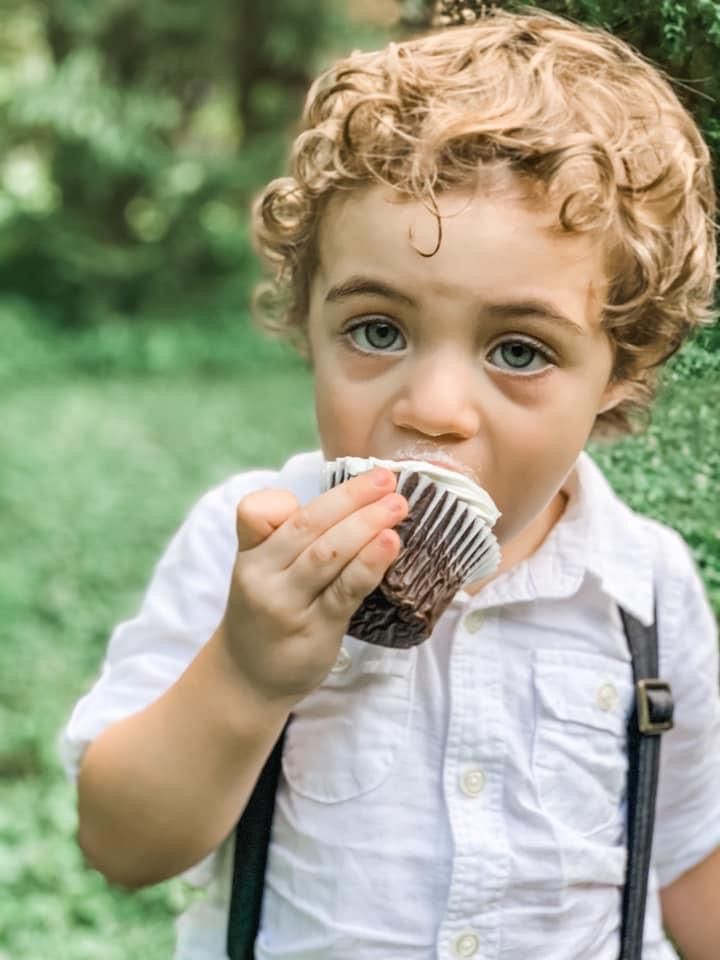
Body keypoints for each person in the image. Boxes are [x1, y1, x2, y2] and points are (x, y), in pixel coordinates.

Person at [60, 6, 720, 959]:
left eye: (519, 349)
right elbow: (120, 845)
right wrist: (245, 675)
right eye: (378, 330)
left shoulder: (646, 591)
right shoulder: (251, 542)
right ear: (310, 325)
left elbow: (690, 858)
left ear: (620, 369)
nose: (434, 408)